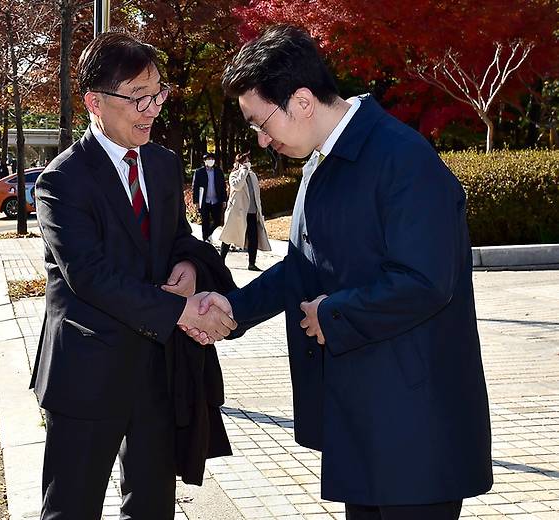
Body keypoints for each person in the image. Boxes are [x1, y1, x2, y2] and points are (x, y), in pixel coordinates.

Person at [193, 25, 492, 520]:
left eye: (262, 122)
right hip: (362, 416)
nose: (262, 139)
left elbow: (425, 280)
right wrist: (234, 308)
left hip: (416, 427)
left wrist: (334, 314)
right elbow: (303, 269)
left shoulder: (403, 159)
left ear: (303, 101)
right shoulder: (321, 164)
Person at [30, 31, 235, 520]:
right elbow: (91, 277)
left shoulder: (163, 165)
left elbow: (176, 239)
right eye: (138, 97)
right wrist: (181, 310)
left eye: (158, 94)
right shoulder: (62, 181)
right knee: (71, 508)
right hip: (87, 371)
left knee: (152, 506)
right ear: (94, 103)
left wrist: (187, 266)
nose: (152, 108)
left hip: (156, 369)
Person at [219, 151, 271, 271]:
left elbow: (256, 195)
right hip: (237, 213)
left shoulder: (253, 176)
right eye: (245, 161)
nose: (248, 163)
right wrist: (243, 171)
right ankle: (221, 260)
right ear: (239, 163)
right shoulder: (234, 175)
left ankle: (251, 263)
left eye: (248, 161)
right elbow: (237, 186)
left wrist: (260, 210)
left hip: (252, 212)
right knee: (228, 236)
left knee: (253, 238)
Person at [191, 152, 227, 242]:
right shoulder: (199, 172)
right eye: (208, 159)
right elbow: (195, 187)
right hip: (204, 200)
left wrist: (224, 200)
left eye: (212, 159)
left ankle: (208, 234)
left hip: (216, 200)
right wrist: (196, 202)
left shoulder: (218, 171)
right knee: (205, 221)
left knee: (217, 221)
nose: (210, 161)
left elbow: (223, 186)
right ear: (204, 161)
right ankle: (205, 239)